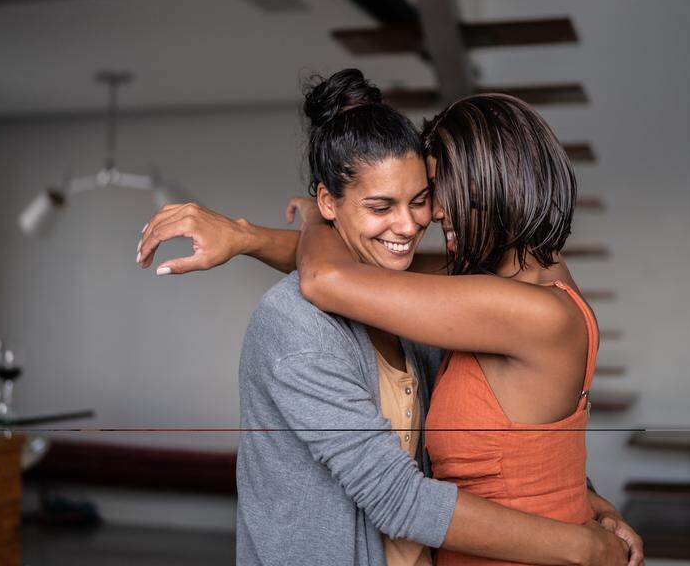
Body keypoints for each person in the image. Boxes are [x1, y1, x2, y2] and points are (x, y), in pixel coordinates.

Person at [137, 70, 641, 566]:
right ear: (331, 199)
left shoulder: (491, 302)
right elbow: (350, 269)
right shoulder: (478, 285)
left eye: (429, 194)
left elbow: (336, 274)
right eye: (389, 202)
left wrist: (312, 219)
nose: (429, 216)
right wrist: (583, 523)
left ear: (486, 185)